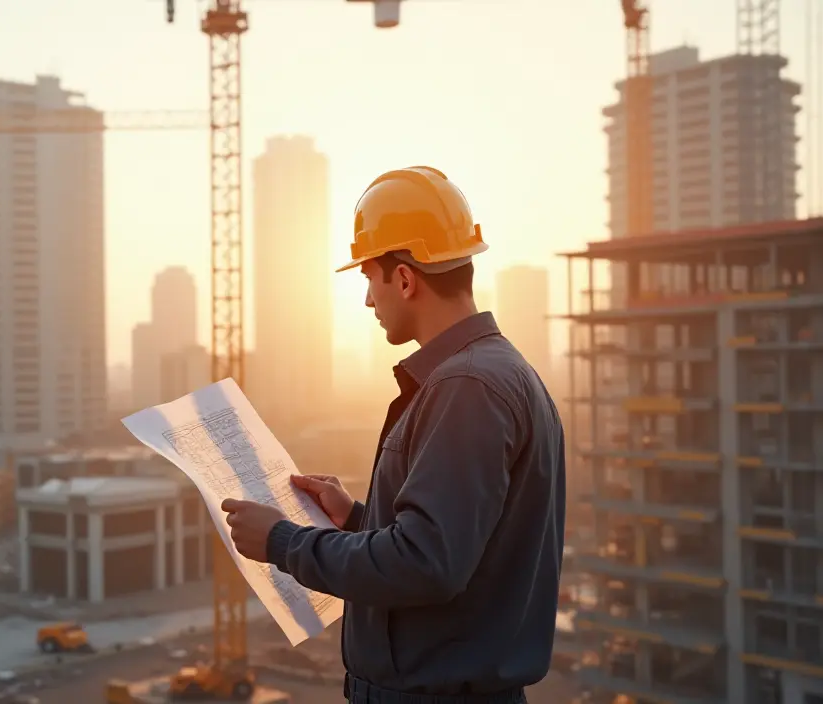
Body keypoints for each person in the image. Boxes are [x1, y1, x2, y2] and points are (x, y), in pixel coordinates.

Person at [220, 166, 566, 704]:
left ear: (404, 278)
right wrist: (357, 518)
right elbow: (462, 547)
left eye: (369, 280)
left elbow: (426, 566)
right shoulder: (493, 373)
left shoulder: (467, 386)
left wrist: (282, 542)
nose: (366, 301)